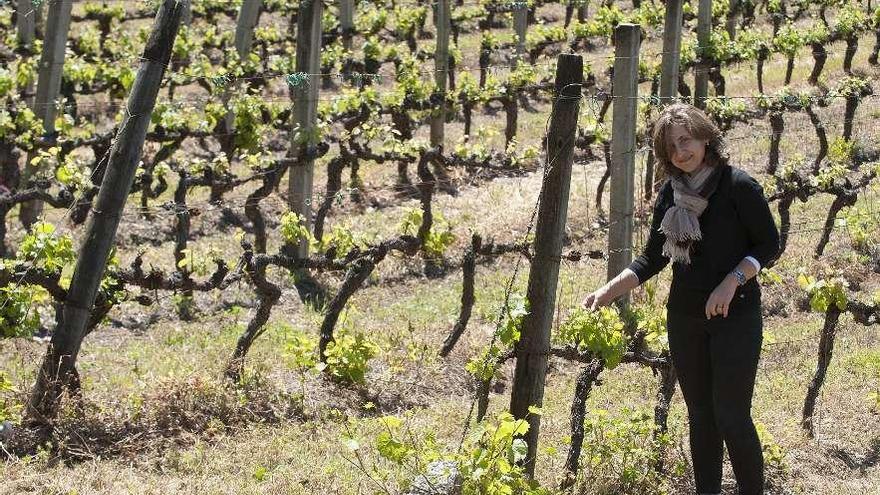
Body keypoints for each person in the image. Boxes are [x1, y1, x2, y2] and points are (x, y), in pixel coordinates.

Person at [581, 103, 780, 495]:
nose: (680, 152)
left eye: (685, 141)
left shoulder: (739, 187)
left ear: (706, 137)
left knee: (731, 416)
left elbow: (769, 244)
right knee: (701, 416)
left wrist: (732, 281)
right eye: (671, 147)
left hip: (736, 316)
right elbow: (652, 258)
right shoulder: (670, 197)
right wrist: (608, 290)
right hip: (685, 318)